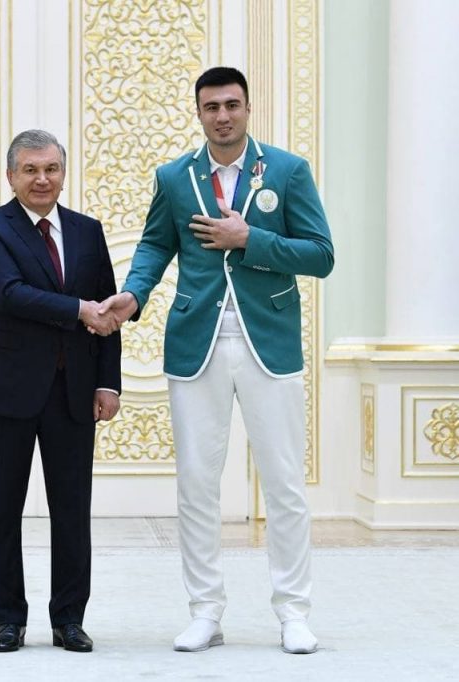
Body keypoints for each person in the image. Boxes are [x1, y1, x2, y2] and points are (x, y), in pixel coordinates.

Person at [100, 67, 333, 654]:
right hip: (195, 344)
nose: (222, 116)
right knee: (197, 485)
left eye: (232, 104)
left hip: (269, 343)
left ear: (248, 108)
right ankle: (205, 611)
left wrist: (250, 239)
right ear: (199, 113)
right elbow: (156, 244)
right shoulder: (174, 177)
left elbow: (321, 254)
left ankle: (293, 612)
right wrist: (134, 293)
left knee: (284, 483)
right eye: (212, 107)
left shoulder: (287, 170)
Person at [0, 129, 122, 653]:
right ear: (11, 175)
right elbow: (9, 293)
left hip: (74, 391)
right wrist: (77, 310)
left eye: (51, 168)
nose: (41, 179)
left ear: (63, 173)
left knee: (72, 510)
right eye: (30, 170)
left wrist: (108, 381)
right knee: (2, 511)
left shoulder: (87, 230)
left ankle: (69, 620)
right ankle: (8, 620)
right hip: (6, 391)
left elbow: (107, 310)